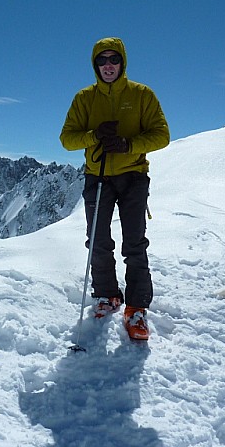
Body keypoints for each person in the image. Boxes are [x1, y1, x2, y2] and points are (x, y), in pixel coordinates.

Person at [60, 37, 170, 341]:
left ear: (122, 62)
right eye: (102, 60)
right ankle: (107, 295)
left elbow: (161, 135)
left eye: (114, 59)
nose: (108, 65)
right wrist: (94, 135)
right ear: (95, 65)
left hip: (133, 175)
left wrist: (128, 144)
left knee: (134, 242)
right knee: (97, 240)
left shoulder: (142, 95)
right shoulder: (84, 98)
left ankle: (136, 308)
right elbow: (67, 139)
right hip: (98, 175)